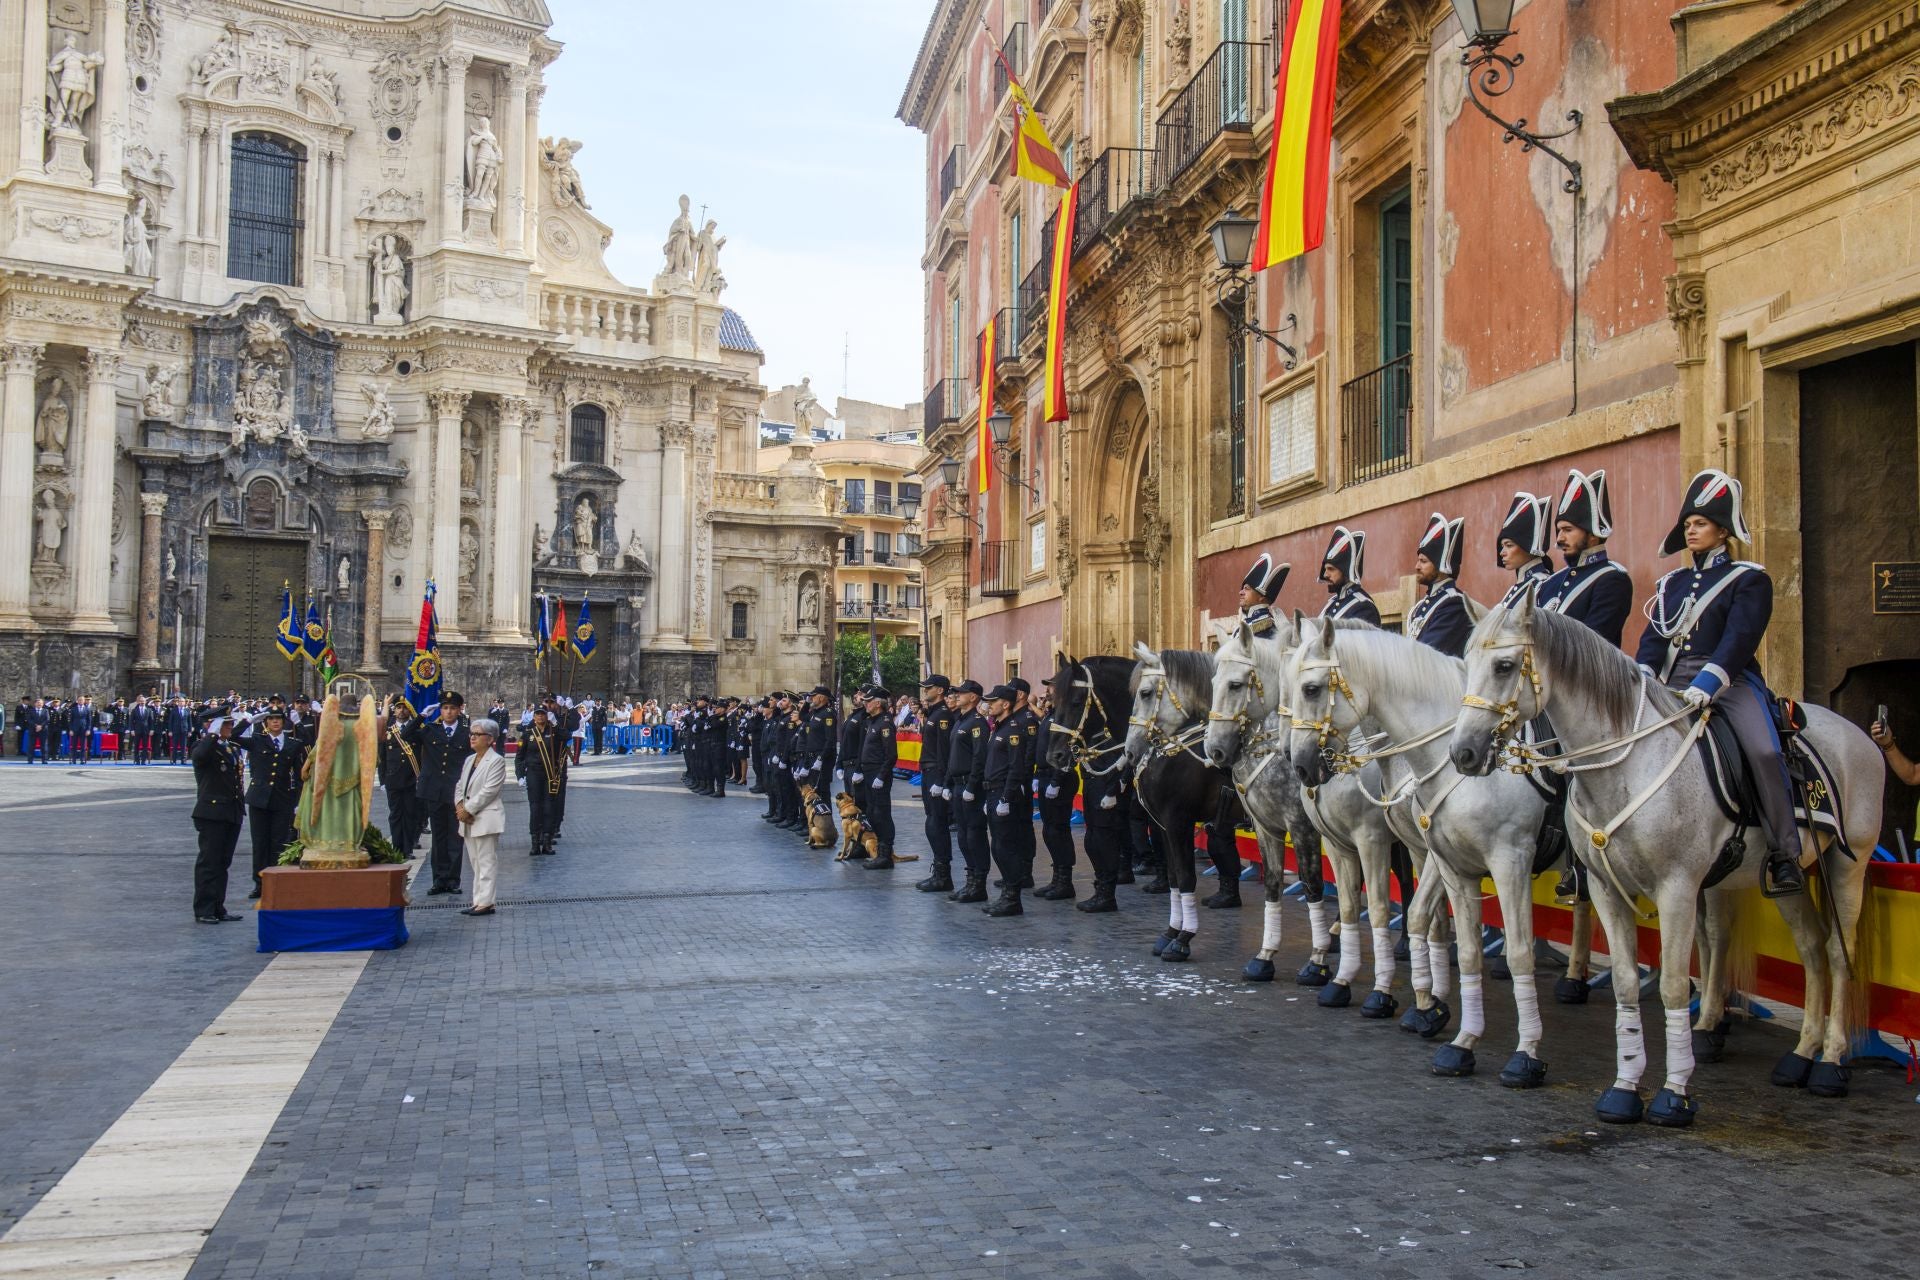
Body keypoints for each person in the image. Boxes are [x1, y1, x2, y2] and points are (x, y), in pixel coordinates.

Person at [1635, 468, 1803, 897]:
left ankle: (1785, 854)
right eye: (1688, 524)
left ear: (1723, 530)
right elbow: (1654, 639)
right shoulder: (1670, 583)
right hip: (1670, 684)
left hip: (1729, 683)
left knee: (1764, 751)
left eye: (1700, 524)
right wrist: (1646, 677)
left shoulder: (1749, 578)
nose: (1690, 530)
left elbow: (1739, 639)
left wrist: (1708, 683)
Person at [1540, 467, 1633, 646]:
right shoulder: (1549, 584)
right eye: (1559, 530)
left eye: (1568, 530)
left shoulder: (1612, 580)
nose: (1559, 538)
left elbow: (1592, 645)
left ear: (1592, 534)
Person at [403, 692, 472, 896]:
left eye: (452, 708)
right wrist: (421, 717)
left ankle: (453, 880)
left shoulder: (466, 732)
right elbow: (406, 734)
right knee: (438, 837)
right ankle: (438, 879)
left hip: (456, 791)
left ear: (459, 710)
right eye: (445, 708)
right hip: (434, 790)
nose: (448, 712)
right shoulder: (430, 730)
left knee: (454, 836)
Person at [980, 681, 1039, 917]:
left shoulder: (1013, 729)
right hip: (993, 791)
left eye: (993, 702)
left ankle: (1012, 898)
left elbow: (1016, 768)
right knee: (999, 845)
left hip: (1005, 793)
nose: (989, 705)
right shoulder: (999, 728)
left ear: (1005, 704)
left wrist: (1006, 797)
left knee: (1006, 847)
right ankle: (1007, 893)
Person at [237, 706, 306, 898]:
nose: (275, 721)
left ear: (284, 722)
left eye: (278, 719)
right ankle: (259, 883)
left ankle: (276, 880)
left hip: (283, 799)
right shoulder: (258, 740)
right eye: (271, 719)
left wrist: (299, 800)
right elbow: (233, 737)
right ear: (266, 723)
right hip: (259, 799)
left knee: (279, 842)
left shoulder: (293, 743)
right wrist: (248, 721)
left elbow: (301, 773)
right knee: (259, 843)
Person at [190, 709, 247, 923]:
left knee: (223, 862)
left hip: (231, 811)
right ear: (212, 726)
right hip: (211, 812)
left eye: (231, 724)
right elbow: (200, 757)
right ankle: (204, 909)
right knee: (209, 862)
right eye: (225, 724)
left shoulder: (231, 747)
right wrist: (212, 734)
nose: (230, 727)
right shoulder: (203, 746)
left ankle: (217, 906)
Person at [454, 719, 507, 916]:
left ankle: (486, 901)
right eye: (471, 734)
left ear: (490, 739)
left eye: (478, 734)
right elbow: (460, 785)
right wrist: (459, 805)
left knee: (486, 861)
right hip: (467, 817)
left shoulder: (496, 761)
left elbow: (489, 791)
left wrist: (468, 810)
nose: (473, 737)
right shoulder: (470, 760)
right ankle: (478, 900)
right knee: (475, 861)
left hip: (485, 817)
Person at [1032, 689, 1079, 901]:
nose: (1048, 692)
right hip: (1044, 776)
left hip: (1057, 778)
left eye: (1052, 688)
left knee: (1059, 830)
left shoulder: (1065, 716)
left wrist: (1056, 780)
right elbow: (1042, 749)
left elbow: (1068, 750)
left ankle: (1065, 881)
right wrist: (1036, 774)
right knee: (1049, 831)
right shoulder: (1050, 714)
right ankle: (1056, 878)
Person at [945, 680, 990, 902]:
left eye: (962, 693)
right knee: (963, 835)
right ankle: (970, 878)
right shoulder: (961, 720)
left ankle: (979, 884)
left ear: (973, 697)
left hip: (970, 786)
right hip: (958, 784)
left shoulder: (977, 723)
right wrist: (947, 784)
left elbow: (979, 757)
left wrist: (972, 786)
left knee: (974, 835)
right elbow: (953, 756)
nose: (957, 696)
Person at [914, 676, 957, 893]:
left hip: (935, 773)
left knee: (936, 824)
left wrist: (941, 780)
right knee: (932, 823)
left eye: (928, 688)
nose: (925, 691)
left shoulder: (942, 716)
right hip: (929, 771)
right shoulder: (934, 712)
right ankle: (938, 871)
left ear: (940, 690)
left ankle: (943, 875)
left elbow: (945, 751)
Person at [1406, 513, 1470, 657]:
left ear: (1440, 565)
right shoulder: (1425, 604)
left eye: (1423, 561)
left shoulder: (1453, 603)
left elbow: (1428, 653)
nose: (1417, 566)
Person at [856, 688, 900, 869]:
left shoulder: (885, 723)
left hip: (877, 774)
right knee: (872, 813)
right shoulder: (872, 721)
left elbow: (891, 755)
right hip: (868, 772)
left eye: (868, 700)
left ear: (878, 703)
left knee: (882, 814)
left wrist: (881, 776)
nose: (864, 703)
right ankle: (880, 852)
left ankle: (885, 855)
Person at [516, 705, 567, 856]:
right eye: (537, 714)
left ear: (547, 716)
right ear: (533, 717)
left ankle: (547, 842)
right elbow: (519, 757)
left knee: (549, 808)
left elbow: (567, 736)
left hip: (550, 774)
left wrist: (556, 724)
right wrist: (520, 775)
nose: (540, 717)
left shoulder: (554, 732)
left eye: (543, 714)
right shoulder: (528, 734)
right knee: (535, 808)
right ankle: (535, 842)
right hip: (533, 774)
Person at [379, 696, 424, 854]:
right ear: (394, 710)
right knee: (396, 815)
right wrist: (383, 780)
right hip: (393, 779)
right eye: (398, 707)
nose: (401, 710)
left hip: (412, 779)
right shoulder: (388, 730)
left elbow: (422, 756)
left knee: (411, 814)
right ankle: (397, 848)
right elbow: (382, 758)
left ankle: (408, 847)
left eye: (404, 707)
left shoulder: (416, 730)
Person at [1497, 491, 1556, 608]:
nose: (1502, 553)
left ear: (1527, 546)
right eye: (1502, 546)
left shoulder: (1544, 585)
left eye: (1509, 545)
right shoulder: (1518, 587)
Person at [1319, 525, 1381, 624]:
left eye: (1331, 569)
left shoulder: (1364, 607)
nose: (1326, 575)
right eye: (1326, 569)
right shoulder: (1330, 604)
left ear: (1346, 571)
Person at [1237, 552, 1289, 637]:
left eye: (1247, 588)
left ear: (1261, 596)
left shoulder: (1263, 626)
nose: (1241, 592)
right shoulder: (1250, 624)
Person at [68, 694, 96, 764]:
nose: (81, 701)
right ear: (77, 701)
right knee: (74, 745)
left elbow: (89, 720)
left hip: (83, 729)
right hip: (75, 729)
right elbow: (70, 720)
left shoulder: (87, 709)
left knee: (83, 745)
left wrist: (88, 729)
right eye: (79, 700)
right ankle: (74, 759)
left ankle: (82, 759)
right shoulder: (73, 709)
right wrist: (71, 729)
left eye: (82, 700)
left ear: (84, 701)